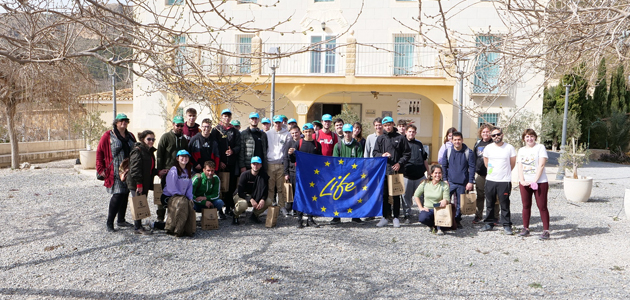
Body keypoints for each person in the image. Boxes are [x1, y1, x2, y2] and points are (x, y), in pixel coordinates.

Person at [96, 113, 137, 232]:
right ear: (116, 123)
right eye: (121, 121)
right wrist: (100, 168)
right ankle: (110, 222)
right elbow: (99, 152)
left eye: (126, 120)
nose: (123, 122)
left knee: (125, 194)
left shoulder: (130, 136)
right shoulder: (108, 135)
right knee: (118, 194)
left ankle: (121, 220)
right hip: (114, 170)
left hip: (127, 170)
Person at [373, 116, 411, 228]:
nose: (387, 127)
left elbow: (407, 154)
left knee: (396, 195)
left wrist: (400, 163)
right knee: (384, 195)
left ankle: (396, 218)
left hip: (396, 172)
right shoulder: (380, 138)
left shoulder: (400, 138)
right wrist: (382, 155)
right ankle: (385, 217)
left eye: (389, 124)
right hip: (384, 171)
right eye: (385, 125)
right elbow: (375, 153)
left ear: (393, 124)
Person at [480, 127, 517, 234]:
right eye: (493, 135)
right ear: (491, 137)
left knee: (504, 204)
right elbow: (486, 162)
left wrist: (505, 172)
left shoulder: (509, 148)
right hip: (491, 179)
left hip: (504, 180)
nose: (496, 137)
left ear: (502, 134)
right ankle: (489, 223)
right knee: (490, 203)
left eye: (498, 134)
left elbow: (512, 163)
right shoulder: (488, 148)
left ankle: (506, 225)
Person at [516, 129, 550, 240]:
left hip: (540, 182)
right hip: (525, 182)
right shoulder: (521, 150)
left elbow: (541, 165)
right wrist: (521, 180)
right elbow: (520, 166)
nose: (529, 138)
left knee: (542, 206)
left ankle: (546, 230)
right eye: (527, 137)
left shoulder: (540, 148)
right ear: (524, 139)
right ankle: (525, 228)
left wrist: (535, 180)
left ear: (535, 137)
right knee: (526, 205)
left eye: (531, 136)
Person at [287, 123, 322, 228]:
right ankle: (299, 219)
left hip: (313, 175)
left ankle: (310, 218)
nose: (308, 133)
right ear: (303, 132)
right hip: (301, 175)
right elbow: (293, 160)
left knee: (312, 196)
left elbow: (320, 160)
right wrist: (290, 154)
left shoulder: (317, 144)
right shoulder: (299, 143)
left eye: (310, 131)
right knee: (300, 196)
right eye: (306, 132)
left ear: (313, 132)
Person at [155, 150, 196, 237]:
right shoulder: (174, 170)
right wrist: (181, 197)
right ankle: (175, 229)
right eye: (182, 156)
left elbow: (189, 187)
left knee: (189, 204)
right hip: (169, 196)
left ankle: (185, 228)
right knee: (182, 203)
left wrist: (190, 198)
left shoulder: (187, 171)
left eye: (186, 156)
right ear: (177, 158)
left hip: (182, 197)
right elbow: (171, 187)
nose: (184, 158)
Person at [156, 115, 189, 222]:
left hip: (180, 171)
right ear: (173, 125)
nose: (180, 127)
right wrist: (159, 170)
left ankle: (173, 217)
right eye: (177, 125)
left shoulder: (184, 139)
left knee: (177, 193)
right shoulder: (166, 137)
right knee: (164, 194)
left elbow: (186, 156)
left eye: (181, 126)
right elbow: (159, 154)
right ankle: (160, 217)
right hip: (167, 170)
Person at [330, 124, 365, 224]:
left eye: (349, 132)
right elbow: (335, 161)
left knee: (355, 196)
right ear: (343, 133)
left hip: (353, 175)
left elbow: (359, 160)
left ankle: (355, 216)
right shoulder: (338, 145)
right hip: (341, 176)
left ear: (352, 132)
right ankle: (336, 216)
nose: (347, 134)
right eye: (346, 132)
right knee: (339, 195)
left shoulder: (357, 145)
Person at [211, 108, 241, 216]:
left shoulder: (235, 131)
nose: (226, 118)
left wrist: (233, 151)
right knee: (219, 187)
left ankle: (228, 207)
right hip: (220, 164)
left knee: (230, 187)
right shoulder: (216, 130)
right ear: (221, 117)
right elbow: (214, 147)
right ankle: (219, 209)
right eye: (224, 116)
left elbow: (239, 146)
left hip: (231, 163)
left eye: (228, 116)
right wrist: (220, 161)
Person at [126, 130, 157, 235]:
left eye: (153, 139)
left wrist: (158, 172)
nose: (151, 141)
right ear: (143, 139)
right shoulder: (138, 150)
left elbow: (148, 168)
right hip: (137, 182)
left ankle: (139, 226)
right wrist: (139, 184)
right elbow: (135, 169)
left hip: (144, 181)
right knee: (138, 203)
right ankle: (137, 228)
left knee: (141, 203)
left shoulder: (148, 151)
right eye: (149, 139)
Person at [442, 131, 475, 228]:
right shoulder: (448, 151)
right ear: (452, 140)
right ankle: (444, 220)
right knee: (445, 200)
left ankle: (457, 220)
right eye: (455, 140)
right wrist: (444, 179)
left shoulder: (468, 152)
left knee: (460, 204)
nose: (457, 142)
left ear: (462, 140)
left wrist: (470, 181)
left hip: (462, 183)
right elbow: (444, 166)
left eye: (459, 139)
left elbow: (472, 167)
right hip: (450, 182)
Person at [401, 124, 430, 224]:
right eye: (409, 131)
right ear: (406, 132)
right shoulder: (402, 144)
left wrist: (428, 172)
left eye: (413, 132)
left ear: (415, 133)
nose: (411, 133)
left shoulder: (419, 144)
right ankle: (407, 215)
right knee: (406, 197)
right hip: (407, 175)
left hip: (420, 176)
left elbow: (424, 159)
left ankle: (422, 214)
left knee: (422, 196)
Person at [473, 123, 500, 224]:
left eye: (487, 132)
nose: (485, 134)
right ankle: (478, 215)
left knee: (494, 196)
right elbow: (474, 158)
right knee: (480, 196)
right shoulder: (477, 144)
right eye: (483, 132)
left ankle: (495, 216)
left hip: (493, 175)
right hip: (480, 175)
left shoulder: (494, 144)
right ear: (480, 133)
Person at [233, 156, 271, 225]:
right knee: (243, 204)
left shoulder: (264, 175)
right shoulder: (244, 175)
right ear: (250, 165)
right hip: (241, 195)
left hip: (255, 195)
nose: (255, 166)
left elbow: (265, 191)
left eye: (257, 164)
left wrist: (262, 199)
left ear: (261, 165)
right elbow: (240, 191)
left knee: (268, 201)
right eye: (254, 164)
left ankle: (254, 215)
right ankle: (235, 216)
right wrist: (250, 199)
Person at [414, 164, 451, 235]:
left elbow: (447, 199)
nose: (438, 175)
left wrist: (445, 200)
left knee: (444, 224)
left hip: (439, 210)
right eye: (435, 173)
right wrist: (421, 208)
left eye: (439, 173)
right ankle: (432, 225)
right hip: (428, 209)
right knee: (422, 218)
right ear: (431, 174)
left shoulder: (444, 185)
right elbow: (416, 195)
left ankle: (440, 227)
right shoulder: (425, 183)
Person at [266, 115, 291, 215]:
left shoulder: (287, 134)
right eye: (276, 122)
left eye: (279, 122)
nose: (277, 124)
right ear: (273, 123)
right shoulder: (267, 133)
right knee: (270, 187)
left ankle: (282, 206)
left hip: (281, 163)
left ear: (282, 122)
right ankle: (269, 207)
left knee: (281, 188)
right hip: (270, 163)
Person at [282, 125, 302, 216]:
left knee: (300, 190)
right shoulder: (288, 144)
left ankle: (301, 208)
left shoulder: (303, 142)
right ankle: (293, 208)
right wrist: (286, 172)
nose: (294, 135)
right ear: (290, 134)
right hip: (292, 170)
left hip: (302, 170)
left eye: (296, 133)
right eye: (292, 133)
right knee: (293, 190)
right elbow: (285, 158)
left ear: (299, 132)